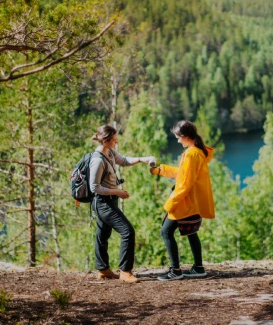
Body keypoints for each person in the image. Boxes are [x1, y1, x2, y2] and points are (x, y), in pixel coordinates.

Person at [150, 120, 215, 281]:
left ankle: (175, 270)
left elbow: (185, 183)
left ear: (186, 137)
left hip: (185, 201)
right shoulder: (196, 152)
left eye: (178, 138)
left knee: (166, 231)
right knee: (192, 232)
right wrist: (160, 170)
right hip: (193, 201)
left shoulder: (192, 154)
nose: (177, 141)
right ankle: (198, 268)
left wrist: (170, 203)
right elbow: (183, 173)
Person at [89, 125, 155, 283]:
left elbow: (124, 161)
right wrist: (117, 191)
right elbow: (94, 187)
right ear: (105, 141)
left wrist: (141, 159)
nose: (116, 143)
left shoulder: (110, 152)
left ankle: (103, 269)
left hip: (109, 201)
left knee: (102, 234)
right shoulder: (97, 160)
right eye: (114, 140)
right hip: (103, 203)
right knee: (127, 231)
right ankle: (125, 272)